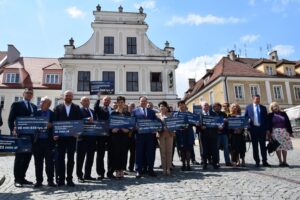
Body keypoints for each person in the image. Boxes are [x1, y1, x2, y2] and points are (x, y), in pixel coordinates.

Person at [8, 88, 37, 187]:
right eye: (27, 93)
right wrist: (13, 130)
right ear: (23, 94)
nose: (29, 94)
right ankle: (17, 179)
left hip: (31, 136)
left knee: (27, 158)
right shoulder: (16, 104)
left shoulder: (34, 107)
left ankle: (23, 178)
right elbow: (11, 119)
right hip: (20, 136)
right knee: (19, 158)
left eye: (31, 93)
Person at [53, 90, 82, 187]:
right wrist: (55, 133)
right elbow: (54, 121)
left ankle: (69, 178)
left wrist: (77, 133)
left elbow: (79, 121)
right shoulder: (57, 108)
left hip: (72, 137)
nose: (68, 97)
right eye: (66, 95)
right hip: (60, 137)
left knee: (71, 159)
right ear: (63, 97)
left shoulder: (77, 108)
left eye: (70, 95)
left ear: (72, 97)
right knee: (60, 158)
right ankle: (60, 179)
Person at [32, 96, 56, 188]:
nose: (40, 103)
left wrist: (52, 125)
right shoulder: (35, 113)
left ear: (48, 104)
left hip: (49, 142)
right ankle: (39, 181)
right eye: (40, 101)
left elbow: (58, 126)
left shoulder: (53, 114)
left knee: (49, 163)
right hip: (37, 142)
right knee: (38, 163)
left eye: (43, 102)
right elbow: (29, 124)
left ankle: (50, 181)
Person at [132, 96, 158, 178]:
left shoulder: (152, 112)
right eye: (141, 101)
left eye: (144, 101)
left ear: (147, 102)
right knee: (139, 153)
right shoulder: (135, 111)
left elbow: (155, 122)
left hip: (150, 136)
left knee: (150, 153)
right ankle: (138, 170)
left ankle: (150, 169)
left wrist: (155, 128)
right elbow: (132, 122)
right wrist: (135, 126)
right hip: (139, 136)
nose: (143, 102)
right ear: (139, 102)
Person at [245, 95, 271, 167]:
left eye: (259, 99)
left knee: (263, 146)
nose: (258, 100)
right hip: (253, 129)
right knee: (255, 146)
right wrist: (247, 126)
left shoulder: (263, 108)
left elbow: (266, 119)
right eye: (256, 99)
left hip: (262, 129)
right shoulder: (248, 107)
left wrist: (267, 129)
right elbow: (245, 118)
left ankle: (264, 161)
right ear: (253, 99)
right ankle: (257, 161)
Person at [76, 96, 97, 182]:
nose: (86, 102)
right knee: (80, 158)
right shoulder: (78, 111)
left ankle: (87, 174)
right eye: (84, 100)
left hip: (92, 138)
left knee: (90, 158)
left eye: (88, 100)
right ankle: (79, 175)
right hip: (82, 138)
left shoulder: (92, 111)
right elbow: (76, 121)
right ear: (81, 102)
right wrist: (86, 119)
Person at [267, 102, 293, 167]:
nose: (275, 107)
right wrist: (268, 133)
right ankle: (280, 161)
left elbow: (288, 123)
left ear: (278, 106)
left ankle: (285, 161)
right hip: (275, 132)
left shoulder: (283, 113)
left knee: (284, 147)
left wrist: (290, 132)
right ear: (271, 108)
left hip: (284, 132)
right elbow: (268, 125)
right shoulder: (270, 115)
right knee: (278, 147)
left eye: (276, 106)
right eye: (273, 106)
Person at [110, 96, 131, 178]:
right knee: (116, 153)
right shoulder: (113, 113)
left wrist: (128, 130)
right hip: (115, 136)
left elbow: (130, 125)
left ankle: (122, 170)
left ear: (124, 103)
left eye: (122, 102)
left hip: (124, 136)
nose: (121, 104)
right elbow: (110, 125)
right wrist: (112, 130)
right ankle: (117, 170)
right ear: (117, 103)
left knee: (124, 153)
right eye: (119, 102)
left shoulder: (127, 113)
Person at [94, 95, 114, 179]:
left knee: (111, 154)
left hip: (111, 134)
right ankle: (100, 173)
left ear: (110, 101)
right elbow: (95, 107)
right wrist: (98, 99)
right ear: (102, 101)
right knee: (100, 154)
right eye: (105, 100)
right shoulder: (99, 109)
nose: (106, 101)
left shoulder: (113, 110)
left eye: (108, 100)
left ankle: (110, 172)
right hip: (101, 134)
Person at [174, 100, 195, 171]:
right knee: (181, 150)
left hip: (188, 133)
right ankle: (183, 164)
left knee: (188, 149)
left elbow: (193, 122)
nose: (182, 106)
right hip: (179, 134)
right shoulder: (175, 114)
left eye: (183, 104)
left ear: (185, 105)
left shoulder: (189, 114)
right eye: (180, 105)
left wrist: (189, 125)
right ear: (178, 106)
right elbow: (174, 123)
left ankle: (188, 164)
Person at [156, 101, 174, 175]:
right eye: (161, 106)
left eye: (163, 106)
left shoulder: (170, 115)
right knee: (162, 151)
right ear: (159, 108)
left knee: (169, 151)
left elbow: (173, 124)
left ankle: (168, 168)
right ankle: (164, 168)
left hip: (169, 134)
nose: (162, 107)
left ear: (166, 108)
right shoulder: (157, 115)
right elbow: (155, 125)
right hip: (161, 135)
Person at [200, 102, 219, 170]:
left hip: (213, 135)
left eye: (207, 105)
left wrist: (219, 126)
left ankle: (215, 163)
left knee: (214, 150)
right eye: (205, 105)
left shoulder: (214, 114)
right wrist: (200, 127)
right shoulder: (199, 115)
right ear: (202, 107)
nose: (206, 106)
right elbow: (197, 125)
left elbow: (217, 123)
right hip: (204, 135)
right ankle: (205, 163)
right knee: (204, 150)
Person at [127, 102, 136, 172]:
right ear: (128, 107)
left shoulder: (136, 115)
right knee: (124, 153)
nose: (132, 108)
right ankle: (123, 168)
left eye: (133, 106)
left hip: (133, 136)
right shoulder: (125, 114)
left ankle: (131, 167)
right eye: (131, 106)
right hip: (125, 136)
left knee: (133, 153)